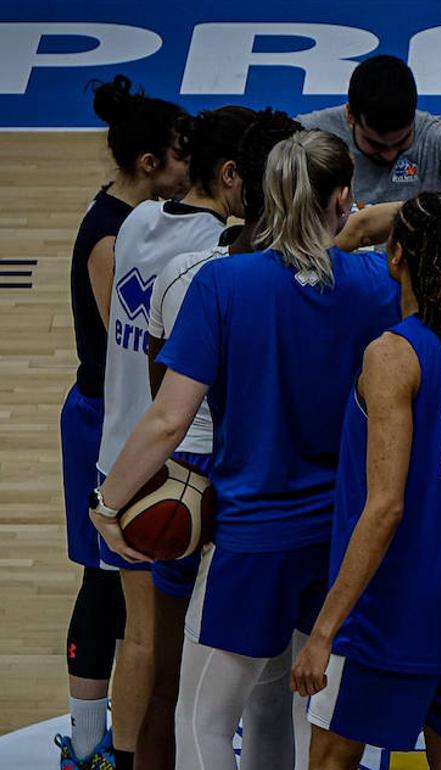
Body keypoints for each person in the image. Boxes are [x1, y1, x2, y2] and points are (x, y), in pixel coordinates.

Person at [89, 129, 400, 770]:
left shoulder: (223, 284)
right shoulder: (377, 283)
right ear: (344, 198)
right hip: (341, 537)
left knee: (201, 723)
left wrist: (107, 501)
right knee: (278, 708)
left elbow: (168, 419)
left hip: (255, 539)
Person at [289, 191, 441, 770]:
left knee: (329, 760)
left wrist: (325, 629)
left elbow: (385, 508)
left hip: (390, 612)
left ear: (397, 255)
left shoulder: (393, 355)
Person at [137, 108, 306, 770]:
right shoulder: (349, 274)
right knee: (279, 695)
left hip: (199, 483)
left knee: (185, 698)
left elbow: (164, 396)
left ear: (238, 180)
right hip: (305, 493)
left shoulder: (190, 275)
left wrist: (112, 496)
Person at [92, 103, 255, 770]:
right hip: (176, 468)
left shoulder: (135, 220)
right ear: (232, 173)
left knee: (148, 646)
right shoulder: (209, 260)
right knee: (175, 664)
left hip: (119, 454)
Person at [55, 73, 189, 770]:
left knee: (118, 582)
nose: (187, 165)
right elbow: (129, 352)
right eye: (179, 154)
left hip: (124, 418)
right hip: (105, 419)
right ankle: (86, 744)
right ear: (149, 165)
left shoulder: (130, 214)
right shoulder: (111, 237)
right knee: (105, 581)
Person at [297, 54, 441, 205]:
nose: (390, 155)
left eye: (402, 142)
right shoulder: (306, 137)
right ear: (351, 116)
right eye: (375, 144)